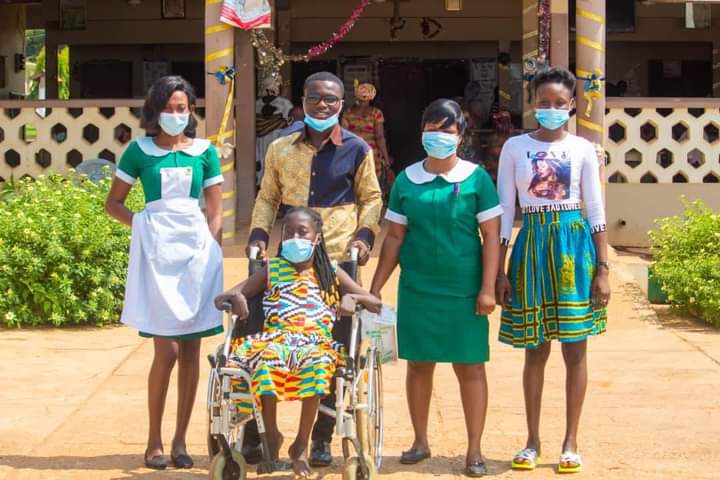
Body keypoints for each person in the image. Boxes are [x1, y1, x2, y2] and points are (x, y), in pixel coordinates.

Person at [245, 71, 383, 467]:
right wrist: (258, 235)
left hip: (338, 258)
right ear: (303, 101)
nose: (323, 105)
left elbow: (372, 198)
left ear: (342, 104)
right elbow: (267, 198)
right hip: (290, 258)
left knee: (336, 348)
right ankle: (257, 431)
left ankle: (321, 436)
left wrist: (364, 237)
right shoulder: (281, 148)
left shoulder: (357, 149)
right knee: (264, 334)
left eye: (331, 99)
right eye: (316, 98)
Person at [370, 99, 503, 478]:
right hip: (418, 289)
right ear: (421, 132)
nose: (439, 136)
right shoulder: (406, 180)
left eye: (447, 129)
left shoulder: (477, 179)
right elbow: (394, 237)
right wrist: (376, 287)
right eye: (432, 128)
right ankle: (420, 441)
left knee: (470, 366)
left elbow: (491, 236)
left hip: (465, 290)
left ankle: (474, 449)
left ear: (461, 135)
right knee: (418, 365)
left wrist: (487, 288)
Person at [495, 66, 610, 474]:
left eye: (559, 103)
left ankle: (570, 442)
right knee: (535, 350)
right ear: (532, 104)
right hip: (531, 247)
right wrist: (499, 270)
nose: (551, 109)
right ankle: (532, 441)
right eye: (543, 102)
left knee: (575, 349)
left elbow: (595, 209)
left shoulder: (582, 149)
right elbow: (505, 210)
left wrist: (603, 268)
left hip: (574, 249)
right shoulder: (514, 148)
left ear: (572, 105)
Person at [105, 76, 224, 470]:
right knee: (166, 350)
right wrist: (144, 226)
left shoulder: (205, 152)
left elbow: (215, 209)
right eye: (169, 108)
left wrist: (210, 247)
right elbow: (114, 203)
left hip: (196, 253)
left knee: (191, 350)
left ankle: (180, 441)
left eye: (182, 108)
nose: (175, 114)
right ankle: (153, 440)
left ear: (191, 111)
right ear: (154, 111)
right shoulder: (138, 152)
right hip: (158, 255)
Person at [216, 207, 381, 478]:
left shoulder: (330, 270)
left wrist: (352, 298)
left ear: (317, 238)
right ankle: (271, 438)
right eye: (288, 233)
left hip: (316, 342)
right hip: (276, 338)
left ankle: (301, 447)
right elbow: (223, 297)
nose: (295, 238)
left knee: (318, 364)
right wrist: (239, 298)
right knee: (266, 362)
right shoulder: (272, 269)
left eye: (302, 232)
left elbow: (374, 302)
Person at [341, 82, 393, 202]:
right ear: (372, 96)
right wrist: (386, 158)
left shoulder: (347, 113)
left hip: (353, 154)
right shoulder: (376, 113)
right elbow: (379, 137)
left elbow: (344, 136)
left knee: (355, 183)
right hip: (371, 154)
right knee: (372, 185)